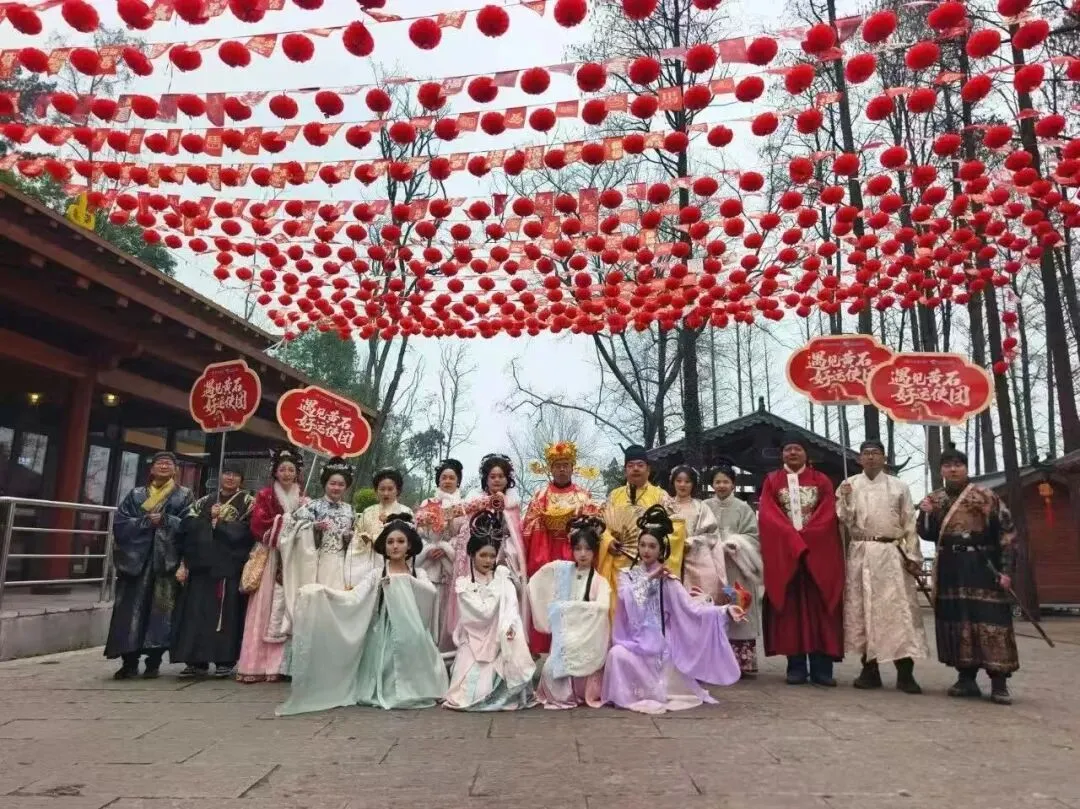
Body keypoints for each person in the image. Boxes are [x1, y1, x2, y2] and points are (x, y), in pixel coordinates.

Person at [277, 514, 447, 716]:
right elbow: (353, 597)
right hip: (383, 630)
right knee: (384, 664)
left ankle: (415, 690)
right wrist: (325, 593)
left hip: (412, 633)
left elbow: (430, 593)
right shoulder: (377, 574)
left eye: (401, 541)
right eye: (390, 542)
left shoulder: (418, 574)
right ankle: (386, 691)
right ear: (384, 546)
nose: (395, 546)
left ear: (409, 545)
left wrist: (404, 582)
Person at [600, 505, 744, 714]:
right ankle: (625, 696)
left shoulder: (668, 579)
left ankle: (653, 691)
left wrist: (725, 610)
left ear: (661, 550)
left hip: (660, 641)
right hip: (634, 640)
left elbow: (690, 608)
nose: (646, 550)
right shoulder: (627, 575)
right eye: (643, 545)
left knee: (665, 660)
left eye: (652, 546)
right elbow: (627, 597)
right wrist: (651, 577)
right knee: (616, 654)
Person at [917, 445, 1019, 705]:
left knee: (991, 621)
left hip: (981, 566)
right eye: (948, 465)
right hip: (950, 567)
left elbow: (1006, 533)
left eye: (958, 465)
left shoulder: (985, 496)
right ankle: (966, 678)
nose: (953, 469)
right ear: (941, 470)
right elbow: (927, 534)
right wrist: (925, 514)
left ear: (965, 468)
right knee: (957, 620)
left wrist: (1006, 570)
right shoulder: (936, 498)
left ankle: (999, 682)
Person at [837, 439, 928, 694]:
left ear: (884, 458)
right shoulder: (849, 484)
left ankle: (905, 671)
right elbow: (844, 518)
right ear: (859, 458)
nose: (871, 457)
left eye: (876, 453)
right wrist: (845, 498)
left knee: (899, 612)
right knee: (863, 610)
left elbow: (909, 522)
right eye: (866, 453)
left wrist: (913, 556)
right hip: (862, 551)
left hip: (891, 553)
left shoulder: (899, 486)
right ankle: (869, 668)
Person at [758, 433, 845, 686]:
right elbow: (768, 514)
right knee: (790, 612)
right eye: (788, 449)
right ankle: (795, 666)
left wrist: (806, 539)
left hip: (817, 555)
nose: (793, 453)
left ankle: (822, 668)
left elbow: (828, 513)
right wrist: (791, 540)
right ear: (782, 454)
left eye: (797, 449)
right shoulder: (772, 481)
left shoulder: (821, 480)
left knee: (821, 610)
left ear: (806, 453)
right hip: (787, 556)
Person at [105, 451, 193, 680]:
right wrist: (145, 522)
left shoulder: (184, 495)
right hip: (138, 562)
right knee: (130, 613)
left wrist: (167, 520)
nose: (164, 466)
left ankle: (153, 662)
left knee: (161, 613)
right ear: (151, 469)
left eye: (168, 464)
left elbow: (189, 525)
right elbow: (121, 523)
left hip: (165, 562)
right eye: (159, 463)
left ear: (175, 470)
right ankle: (129, 662)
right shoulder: (135, 495)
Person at [443, 511, 536, 711]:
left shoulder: (503, 577)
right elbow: (481, 614)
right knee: (473, 691)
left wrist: (509, 627)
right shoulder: (464, 584)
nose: (488, 560)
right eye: (483, 555)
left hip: (501, 638)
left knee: (500, 676)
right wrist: (498, 585)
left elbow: (512, 607)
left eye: (492, 556)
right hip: (474, 640)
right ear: (472, 555)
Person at [171, 463, 255, 679]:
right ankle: (195, 660)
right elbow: (186, 525)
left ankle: (224, 660)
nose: (230, 478)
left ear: (241, 479)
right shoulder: (204, 501)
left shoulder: (248, 502)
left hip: (228, 566)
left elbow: (249, 530)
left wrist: (222, 525)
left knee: (225, 614)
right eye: (226, 473)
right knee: (196, 613)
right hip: (202, 565)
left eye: (235, 474)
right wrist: (208, 517)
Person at [236, 447, 306, 684]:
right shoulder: (265, 495)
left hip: (293, 557)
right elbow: (258, 524)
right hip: (271, 555)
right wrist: (287, 521)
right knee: (264, 608)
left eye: (291, 470)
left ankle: (281, 665)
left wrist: (303, 519)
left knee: (289, 606)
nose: (287, 474)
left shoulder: (303, 497)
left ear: (297, 473)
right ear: (275, 472)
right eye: (282, 469)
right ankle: (255, 665)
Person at [522, 440, 599, 653]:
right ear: (551, 469)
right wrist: (542, 523)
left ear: (572, 467)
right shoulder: (541, 495)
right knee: (546, 598)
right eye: (557, 465)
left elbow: (593, 526)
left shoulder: (582, 495)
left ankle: (573, 647)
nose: (562, 469)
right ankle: (544, 648)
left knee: (574, 598)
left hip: (574, 552)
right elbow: (528, 524)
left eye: (566, 465)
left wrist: (579, 528)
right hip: (546, 551)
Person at [527, 515, 611, 709]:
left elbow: (603, 607)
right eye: (578, 548)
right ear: (571, 550)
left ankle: (580, 691)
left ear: (595, 551)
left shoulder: (600, 581)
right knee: (549, 671)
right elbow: (538, 581)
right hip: (565, 639)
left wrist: (567, 609)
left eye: (588, 549)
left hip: (587, 639)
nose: (583, 554)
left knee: (579, 673)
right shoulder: (562, 570)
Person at [446, 454, 528, 640]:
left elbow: (514, 532)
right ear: (486, 479)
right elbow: (457, 524)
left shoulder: (512, 504)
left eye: (501, 476)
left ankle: (499, 638)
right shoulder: (474, 500)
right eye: (492, 476)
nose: (497, 480)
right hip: (476, 556)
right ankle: (470, 636)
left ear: (507, 479)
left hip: (502, 557)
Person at [597, 445, 685, 613]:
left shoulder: (660, 496)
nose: (635, 469)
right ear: (625, 471)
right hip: (619, 564)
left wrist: (654, 539)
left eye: (640, 465)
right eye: (630, 466)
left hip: (649, 566)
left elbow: (677, 526)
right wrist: (608, 541)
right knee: (618, 611)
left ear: (648, 469)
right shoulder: (614, 495)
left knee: (646, 613)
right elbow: (601, 525)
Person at [704, 462, 763, 676]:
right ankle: (715, 661)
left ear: (733, 484)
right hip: (712, 568)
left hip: (737, 567)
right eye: (717, 481)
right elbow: (699, 532)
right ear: (712, 484)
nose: (721, 485)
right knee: (714, 609)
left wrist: (736, 542)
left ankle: (741, 662)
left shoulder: (743, 508)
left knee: (739, 605)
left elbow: (753, 536)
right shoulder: (705, 507)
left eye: (725, 481)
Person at [415, 458, 468, 651]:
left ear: (458, 481)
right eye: (444, 477)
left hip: (450, 564)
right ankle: (424, 649)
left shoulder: (463, 506)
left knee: (447, 607)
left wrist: (445, 548)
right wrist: (429, 549)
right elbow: (418, 533)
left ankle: (445, 650)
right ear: (438, 480)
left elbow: (463, 536)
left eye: (451, 478)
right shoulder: (427, 503)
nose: (447, 481)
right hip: (428, 563)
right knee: (427, 605)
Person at [667, 465, 724, 602]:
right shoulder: (665, 506)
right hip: (669, 560)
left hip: (696, 561)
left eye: (687, 481)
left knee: (694, 602)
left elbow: (712, 536)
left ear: (693, 484)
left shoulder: (701, 507)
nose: (682, 485)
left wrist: (691, 542)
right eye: (679, 481)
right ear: (673, 482)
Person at [353, 468, 414, 583]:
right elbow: (356, 540)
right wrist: (365, 540)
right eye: (382, 489)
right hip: (368, 565)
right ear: (376, 490)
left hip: (396, 565)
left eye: (390, 489)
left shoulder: (406, 512)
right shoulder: (368, 512)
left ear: (398, 490)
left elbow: (411, 542)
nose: (386, 493)